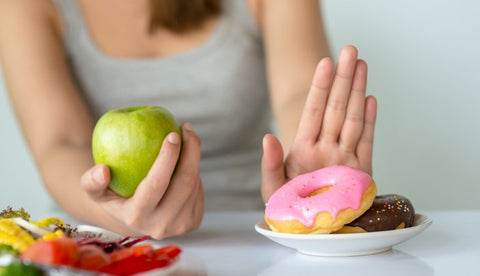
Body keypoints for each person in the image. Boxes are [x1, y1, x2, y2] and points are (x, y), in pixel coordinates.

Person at [0, 0, 376, 239]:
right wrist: (115, 216)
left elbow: (299, 93)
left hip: (248, 240)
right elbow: (61, 142)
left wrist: (310, 176)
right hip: (102, 246)